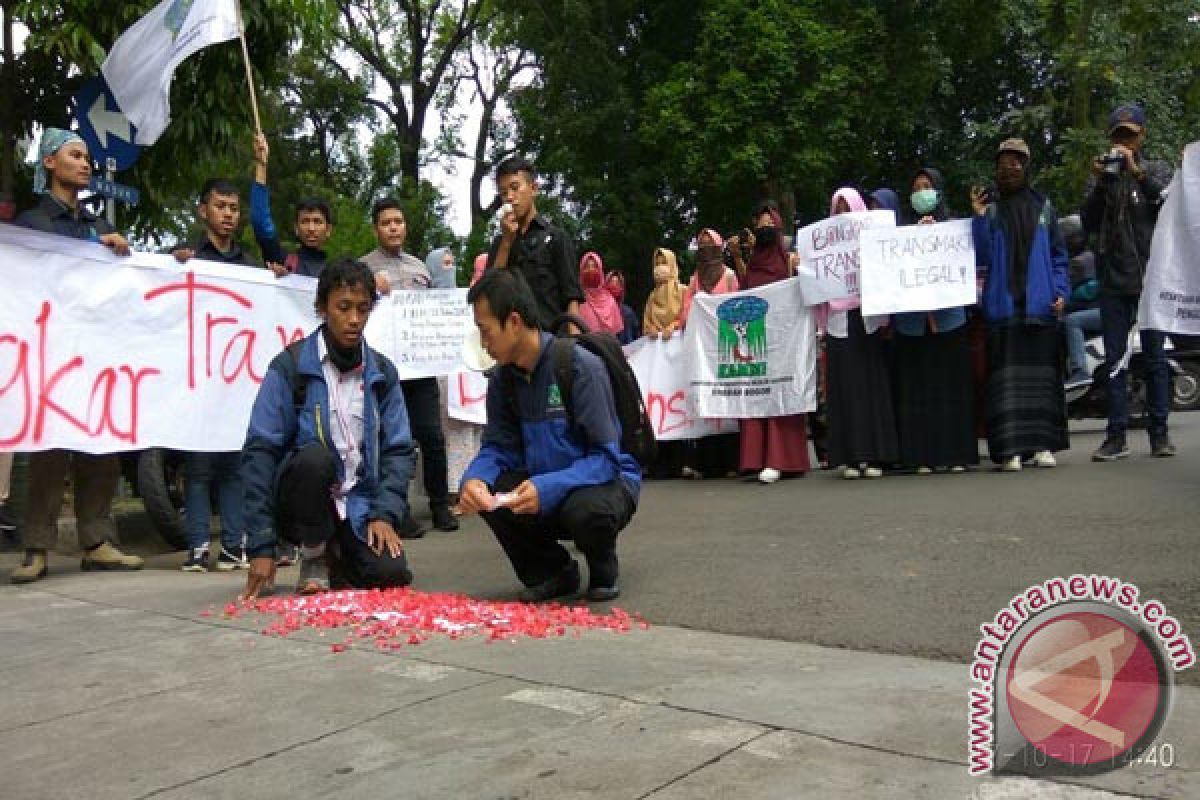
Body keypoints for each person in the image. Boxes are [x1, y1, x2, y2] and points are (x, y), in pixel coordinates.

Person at [458, 268, 640, 603]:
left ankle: (602, 565)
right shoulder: (502, 380)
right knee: (492, 491)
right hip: (542, 486)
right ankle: (552, 571)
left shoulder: (579, 367)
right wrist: (474, 481)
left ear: (513, 321)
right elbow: (499, 447)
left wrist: (547, 487)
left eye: (485, 331)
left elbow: (606, 459)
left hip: (603, 484)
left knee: (586, 510)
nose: (483, 343)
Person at [240, 258, 416, 600]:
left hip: (358, 503)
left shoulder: (382, 372)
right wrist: (262, 545)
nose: (353, 320)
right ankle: (315, 554)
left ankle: (342, 552)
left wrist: (384, 514)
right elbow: (259, 452)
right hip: (301, 499)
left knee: (390, 575)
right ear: (322, 308)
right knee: (315, 460)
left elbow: (399, 448)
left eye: (363, 309)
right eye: (343, 307)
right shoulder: (289, 366)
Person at [11, 128, 140, 583]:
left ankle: (98, 541)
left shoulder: (98, 226)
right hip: (49, 355)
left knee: (100, 447)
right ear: (49, 162)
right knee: (48, 449)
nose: (85, 164)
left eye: (87, 157)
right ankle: (37, 546)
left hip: (95, 356)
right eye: (75, 155)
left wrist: (122, 252)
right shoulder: (29, 226)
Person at [171, 178, 262, 571]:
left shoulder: (248, 266)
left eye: (234, 207)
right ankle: (196, 546)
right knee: (199, 467)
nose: (228, 214)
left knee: (233, 466)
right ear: (202, 210)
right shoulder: (183, 257)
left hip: (236, 381)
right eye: (220, 205)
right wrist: (173, 265)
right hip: (198, 378)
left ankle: (231, 547)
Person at [1082, 103, 1176, 461]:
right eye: (1119, 136)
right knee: (1115, 360)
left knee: (1154, 359)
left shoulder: (1155, 169)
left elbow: (1168, 205)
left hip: (1151, 277)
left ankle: (1160, 435)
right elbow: (1088, 223)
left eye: (1130, 136)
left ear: (1142, 136)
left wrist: (1137, 173)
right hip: (1112, 279)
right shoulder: (1102, 175)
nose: (1124, 143)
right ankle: (1116, 436)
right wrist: (1101, 186)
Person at [971, 138, 1070, 472]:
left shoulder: (1045, 208)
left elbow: (1059, 255)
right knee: (1005, 386)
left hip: (1040, 309)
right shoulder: (992, 211)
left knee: (1042, 381)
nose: (1009, 168)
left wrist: (1060, 291)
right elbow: (981, 257)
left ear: (1026, 167)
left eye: (1016, 162)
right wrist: (979, 218)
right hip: (1003, 309)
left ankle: (1042, 446)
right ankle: (1011, 451)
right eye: (1003, 163)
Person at [360, 198, 457, 533]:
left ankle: (440, 504)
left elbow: (439, 309)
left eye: (398, 222)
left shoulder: (420, 267)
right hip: (386, 372)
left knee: (432, 436)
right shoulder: (364, 268)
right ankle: (396, 509)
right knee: (393, 440)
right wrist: (372, 288)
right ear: (376, 228)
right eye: (386, 222)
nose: (393, 228)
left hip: (422, 368)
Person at [889, 171, 977, 474]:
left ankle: (956, 454)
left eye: (926, 187)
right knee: (918, 391)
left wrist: (938, 235)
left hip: (949, 320)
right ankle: (920, 455)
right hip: (912, 324)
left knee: (951, 388)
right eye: (915, 188)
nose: (921, 193)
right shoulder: (897, 235)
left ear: (938, 192)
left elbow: (975, 258)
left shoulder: (956, 230)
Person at [725, 204, 811, 484]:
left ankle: (781, 459)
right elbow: (745, 291)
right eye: (759, 225)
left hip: (783, 340)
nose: (764, 230)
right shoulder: (752, 263)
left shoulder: (788, 260)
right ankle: (756, 458)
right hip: (757, 337)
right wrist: (739, 257)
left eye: (768, 226)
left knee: (781, 395)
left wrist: (800, 271)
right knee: (757, 395)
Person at [819, 189, 897, 480]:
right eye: (837, 209)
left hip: (869, 317)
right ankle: (851, 456)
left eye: (847, 207)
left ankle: (875, 454)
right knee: (845, 390)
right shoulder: (825, 246)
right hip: (839, 320)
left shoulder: (874, 237)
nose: (842, 214)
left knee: (871, 388)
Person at [487, 157, 583, 329]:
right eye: (503, 192)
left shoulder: (556, 238)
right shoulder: (500, 245)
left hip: (551, 343)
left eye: (515, 188)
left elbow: (571, 298)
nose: (509, 197)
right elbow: (491, 293)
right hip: (513, 346)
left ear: (533, 188)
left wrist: (573, 344)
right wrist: (507, 242)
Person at [679, 229, 741, 480]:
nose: (705, 248)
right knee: (707, 402)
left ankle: (731, 461)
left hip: (725, 345)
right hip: (703, 349)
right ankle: (707, 463)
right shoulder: (694, 279)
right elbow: (686, 311)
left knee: (727, 402)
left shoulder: (729, 276)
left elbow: (737, 305)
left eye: (709, 244)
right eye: (701, 244)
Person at [250, 134, 331, 279]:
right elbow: (260, 223)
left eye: (317, 221)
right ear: (296, 228)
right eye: (305, 221)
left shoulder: (337, 273)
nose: (311, 228)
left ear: (328, 229)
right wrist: (261, 165)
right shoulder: (284, 261)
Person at [1060, 214, 1101, 390]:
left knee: (1071, 321)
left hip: (1104, 310)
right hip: (1102, 308)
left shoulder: (1079, 262)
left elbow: (1068, 293)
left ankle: (1079, 370)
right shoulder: (1090, 256)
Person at [577, 251, 625, 336]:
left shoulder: (610, 300)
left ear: (600, 270)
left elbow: (617, 335)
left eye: (595, 266)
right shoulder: (577, 300)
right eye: (587, 267)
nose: (591, 270)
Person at [642, 248, 684, 341]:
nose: (660, 267)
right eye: (657, 264)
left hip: (679, 345)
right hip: (657, 347)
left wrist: (673, 326)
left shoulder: (682, 290)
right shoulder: (652, 295)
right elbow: (647, 322)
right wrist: (651, 328)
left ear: (672, 265)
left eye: (664, 263)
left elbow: (690, 317)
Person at [605, 269, 640, 344]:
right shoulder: (600, 312)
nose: (614, 285)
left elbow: (635, 337)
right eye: (611, 282)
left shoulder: (628, 313)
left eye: (617, 283)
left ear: (622, 288)